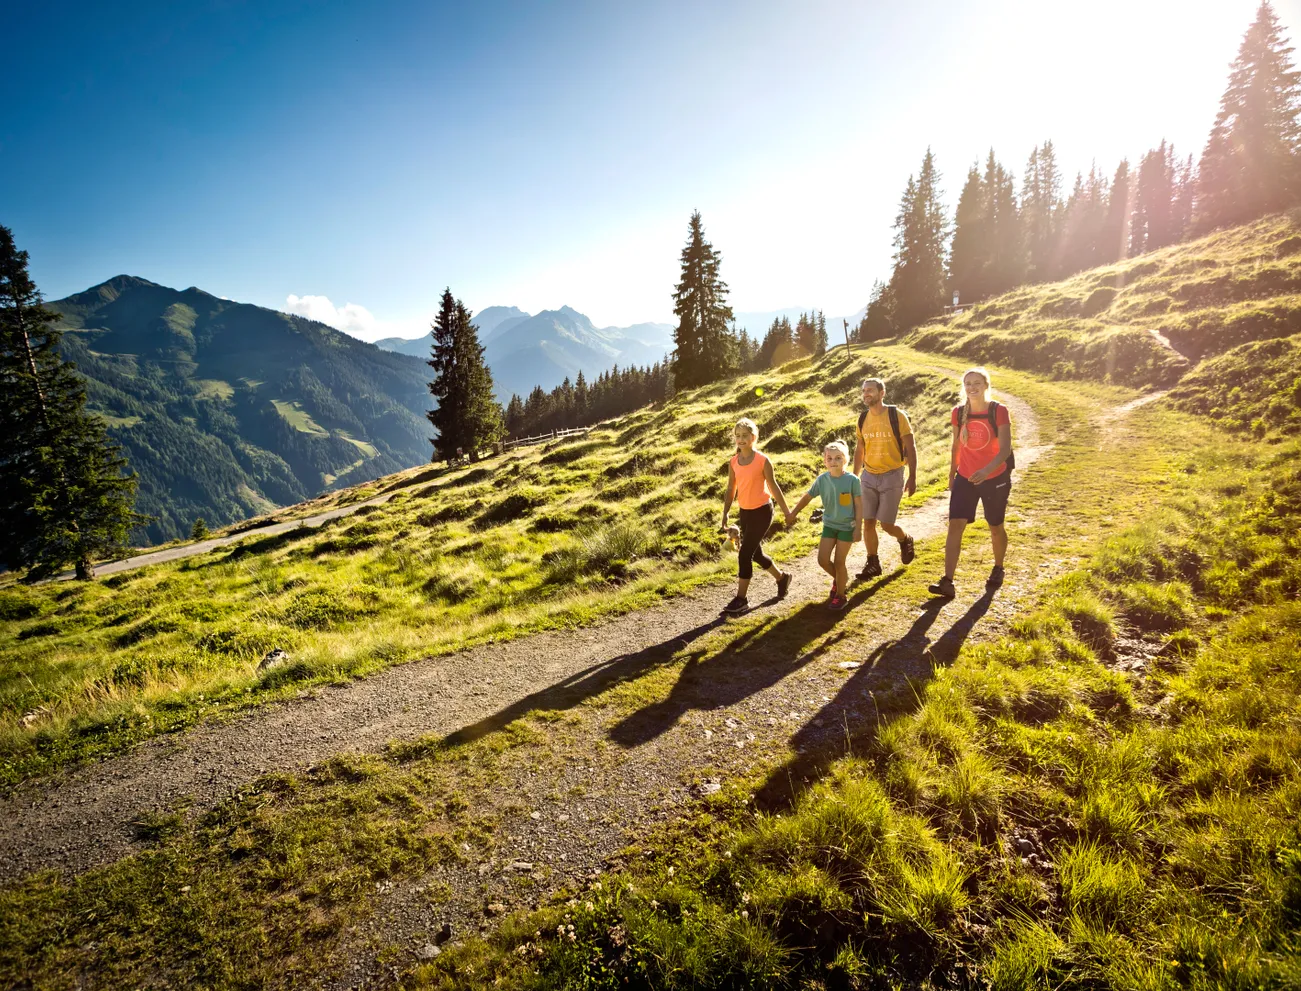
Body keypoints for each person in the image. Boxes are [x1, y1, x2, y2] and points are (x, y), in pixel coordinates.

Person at [928, 367, 1013, 598]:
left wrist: (986, 471)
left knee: (995, 526)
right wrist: (952, 474)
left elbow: (1005, 449)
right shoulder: (958, 412)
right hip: (965, 477)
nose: (972, 388)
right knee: (955, 525)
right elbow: (956, 445)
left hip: (994, 477)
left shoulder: (999, 411)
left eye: (977, 383)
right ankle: (947, 581)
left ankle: (998, 567)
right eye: (968, 384)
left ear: (986, 385)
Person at [719, 418, 793, 615]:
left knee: (745, 554)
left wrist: (787, 512)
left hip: (762, 511)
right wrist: (725, 512)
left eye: (745, 436)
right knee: (756, 554)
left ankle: (741, 599)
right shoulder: (733, 462)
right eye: (738, 436)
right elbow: (730, 489)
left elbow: (774, 488)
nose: (741, 439)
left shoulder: (762, 460)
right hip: (745, 513)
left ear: (753, 438)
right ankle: (782, 578)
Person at [786, 440, 862, 611]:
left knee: (839, 561)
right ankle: (840, 579)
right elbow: (807, 497)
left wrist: (859, 528)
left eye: (838, 458)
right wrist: (793, 513)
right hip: (829, 525)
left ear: (845, 460)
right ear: (825, 460)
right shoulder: (822, 480)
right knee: (822, 560)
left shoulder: (852, 480)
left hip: (846, 527)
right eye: (830, 458)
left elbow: (859, 505)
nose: (833, 462)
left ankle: (841, 596)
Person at [853, 377, 917, 580]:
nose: (866, 394)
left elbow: (911, 446)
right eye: (864, 391)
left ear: (882, 393)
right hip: (869, 476)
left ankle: (905, 538)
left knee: (887, 525)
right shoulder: (862, 419)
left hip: (893, 475)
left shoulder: (897, 415)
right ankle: (873, 562)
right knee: (868, 522)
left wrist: (913, 476)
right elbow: (860, 449)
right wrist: (854, 477)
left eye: (870, 390)